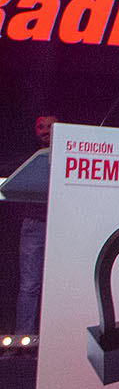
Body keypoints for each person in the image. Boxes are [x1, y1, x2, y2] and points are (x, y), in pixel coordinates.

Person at [10, 114, 53, 333]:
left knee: (57, 284)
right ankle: (23, 337)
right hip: (34, 225)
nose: (46, 131)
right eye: (41, 127)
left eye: (51, 127)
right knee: (29, 285)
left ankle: (56, 335)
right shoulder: (29, 158)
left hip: (62, 226)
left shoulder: (73, 155)